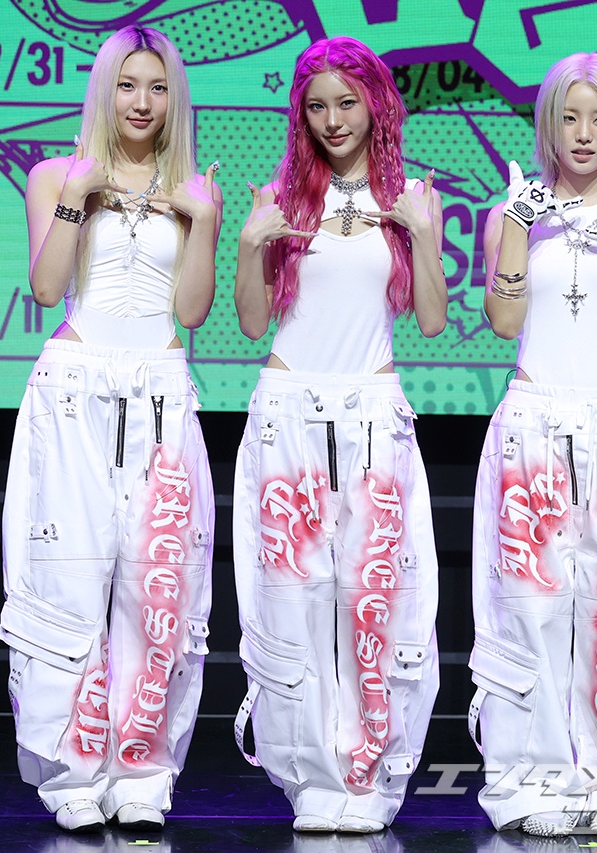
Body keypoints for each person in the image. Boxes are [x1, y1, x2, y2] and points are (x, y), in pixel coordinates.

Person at [0, 25, 221, 832]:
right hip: (73, 391)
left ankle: (143, 772)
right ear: (105, 90)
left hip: (160, 392)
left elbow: (192, 310)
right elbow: (46, 284)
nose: (142, 102)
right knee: (67, 582)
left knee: (156, 588)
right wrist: (77, 195)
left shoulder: (193, 187)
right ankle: (71, 770)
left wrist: (202, 220)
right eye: (128, 85)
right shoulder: (55, 175)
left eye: (157, 87)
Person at [230, 36, 446, 834]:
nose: (332, 120)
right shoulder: (282, 198)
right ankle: (311, 779)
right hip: (288, 408)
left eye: (347, 103)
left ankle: (370, 772)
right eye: (317, 106)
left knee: (374, 600)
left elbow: (432, 319)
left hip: (373, 417)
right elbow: (252, 321)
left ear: (376, 104)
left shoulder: (411, 197)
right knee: (294, 603)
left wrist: (424, 234)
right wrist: (249, 245)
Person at [467, 52, 597, 838]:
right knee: (529, 611)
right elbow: (502, 321)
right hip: (534, 426)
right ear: (548, 124)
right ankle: (531, 774)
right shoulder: (514, 210)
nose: (584, 133)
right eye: (569, 116)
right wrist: (518, 228)